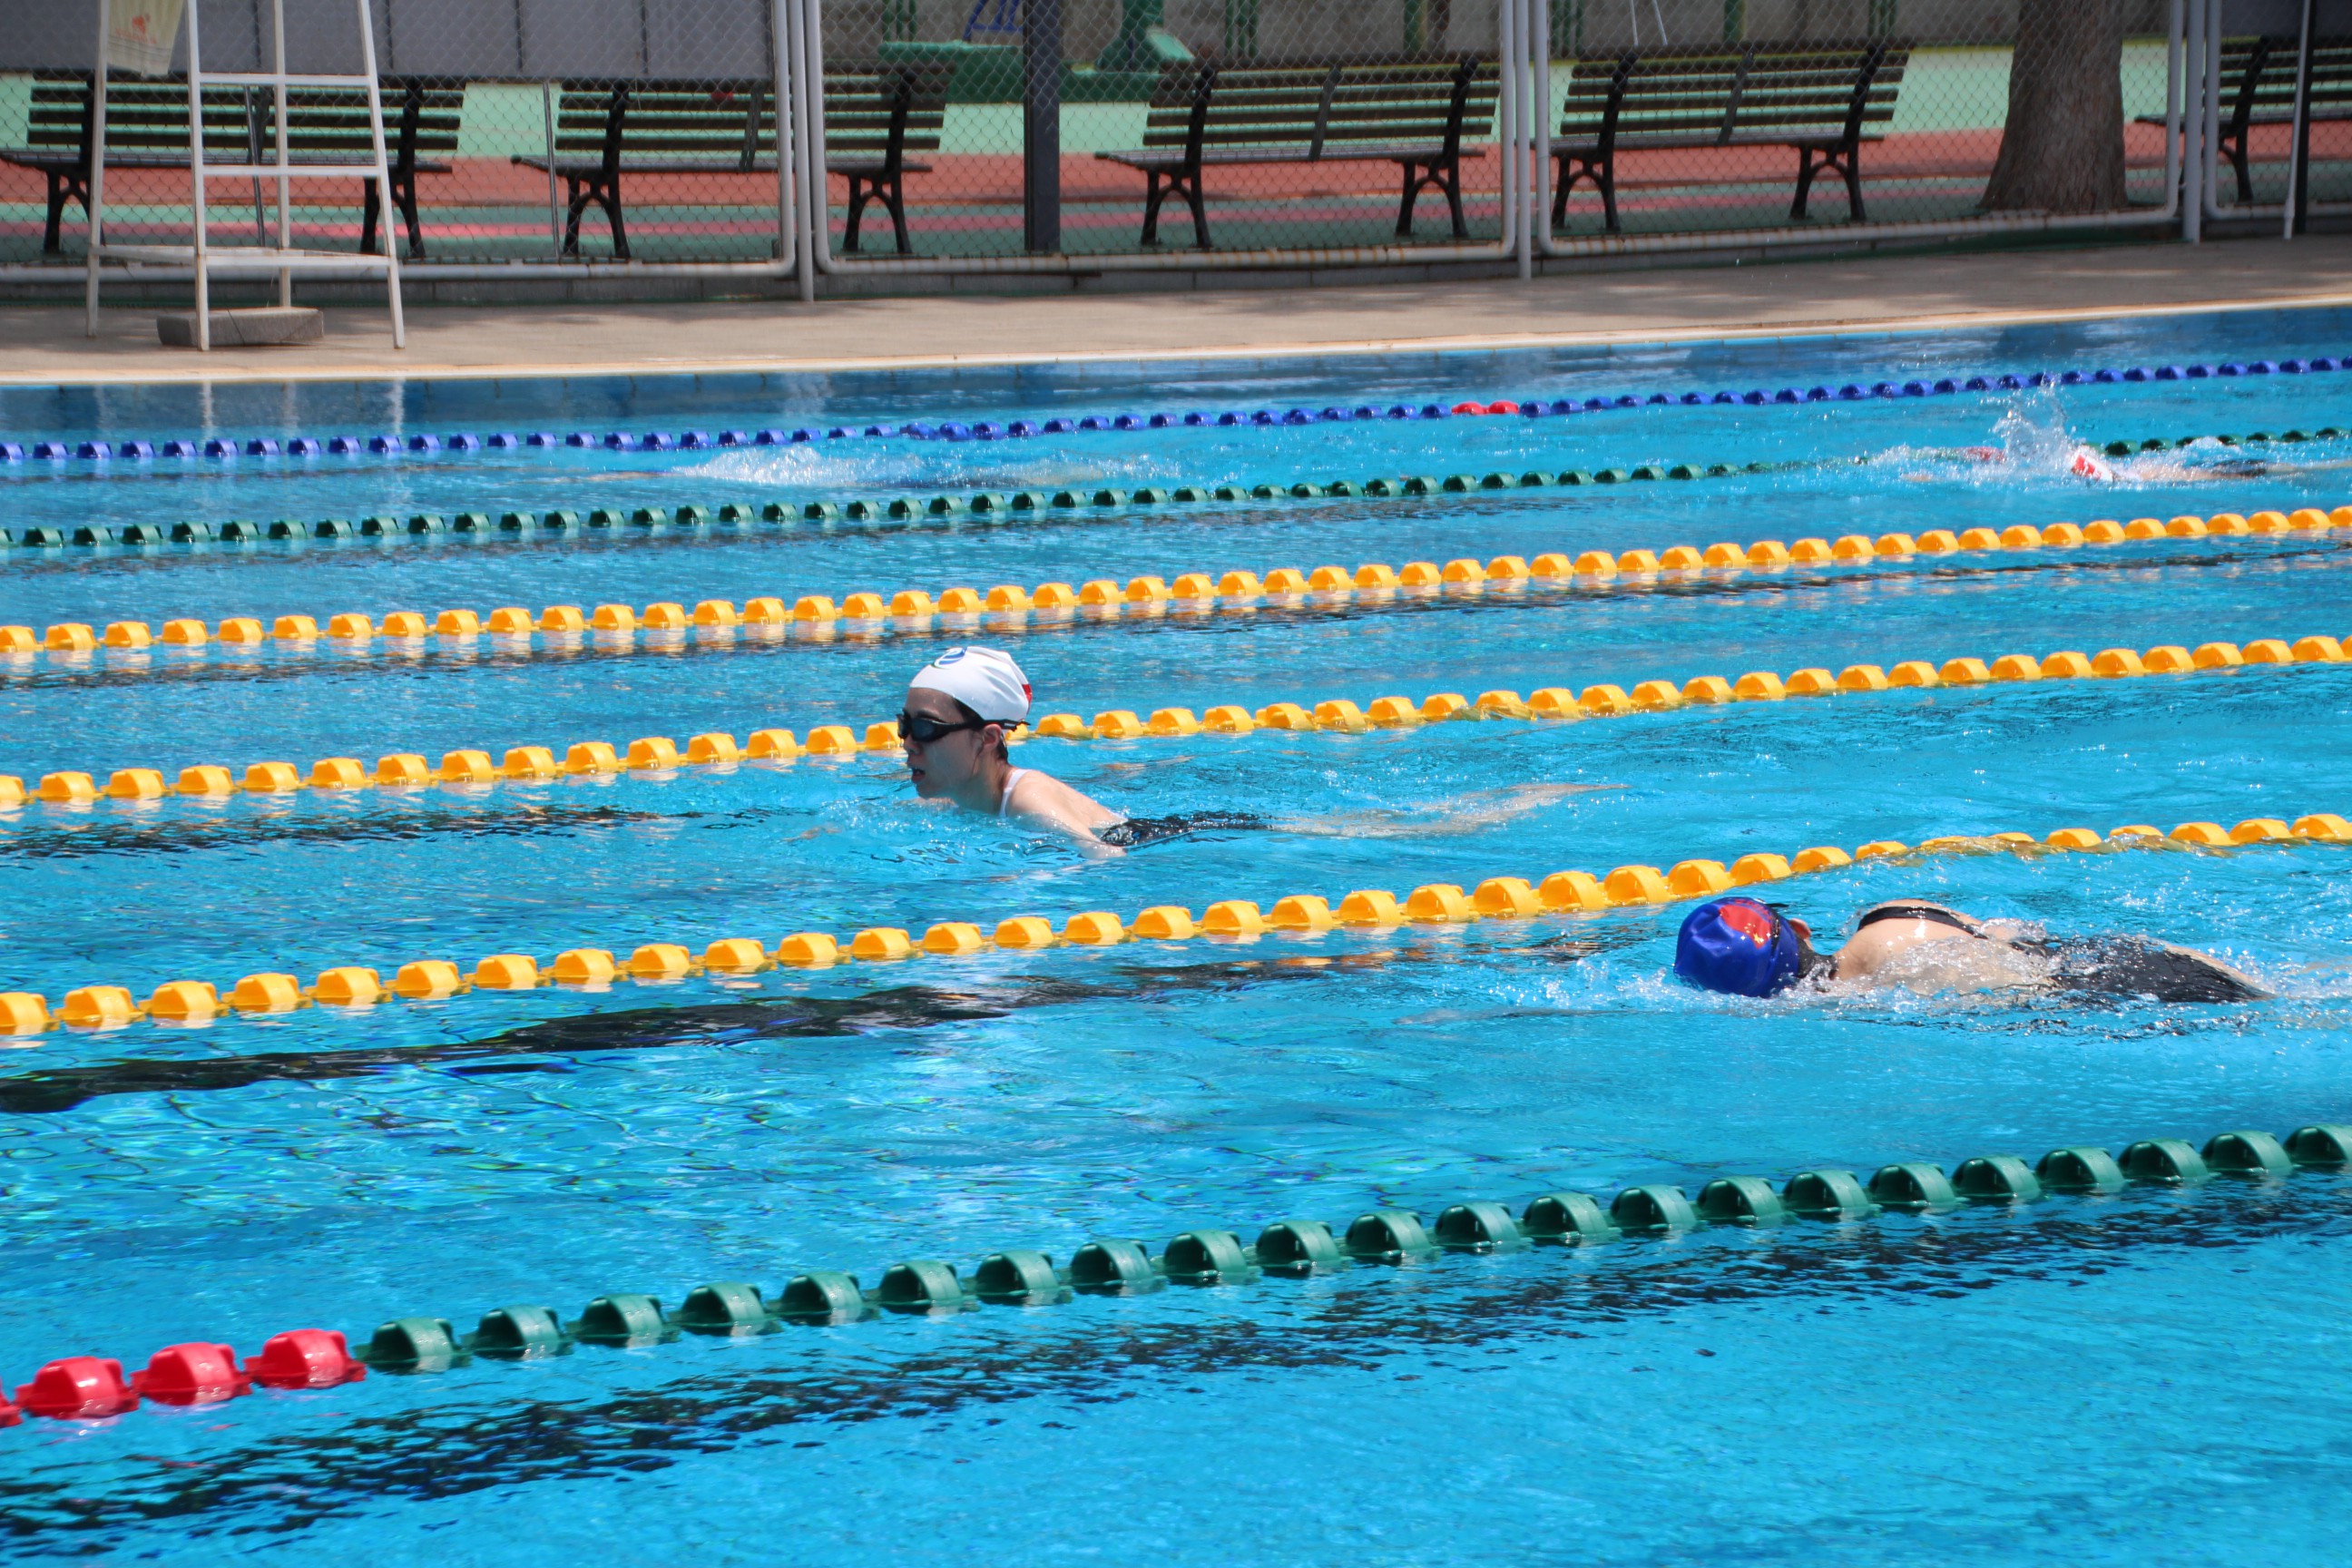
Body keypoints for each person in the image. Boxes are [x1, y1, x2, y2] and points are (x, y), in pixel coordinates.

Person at [1672, 895, 2267, 1004]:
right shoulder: (1892, 914)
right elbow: (2017, 936)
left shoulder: (1875, 1002)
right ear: (1800, 929)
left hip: (2123, 998)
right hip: (2129, 954)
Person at [901, 645, 1128, 845]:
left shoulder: (1029, 800)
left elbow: (1108, 857)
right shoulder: (957, 797)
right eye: (905, 725)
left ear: (987, 739)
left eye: (925, 728)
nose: (908, 743)